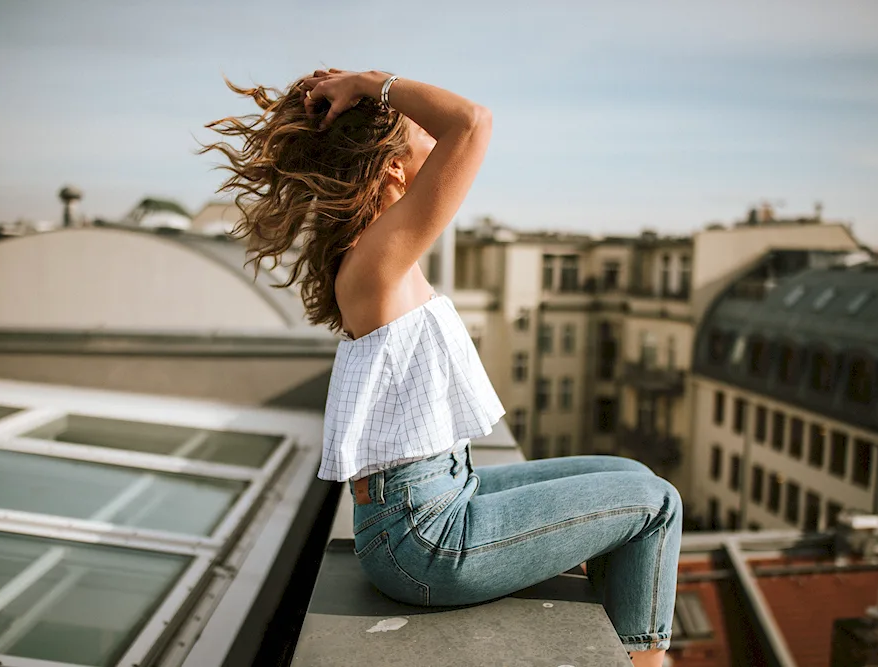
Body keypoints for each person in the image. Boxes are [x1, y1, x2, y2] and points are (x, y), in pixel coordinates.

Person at [201, 68, 682, 667]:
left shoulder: (381, 253)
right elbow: (471, 123)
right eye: (417, 130)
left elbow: (458, 128)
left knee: (625, 471)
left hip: (442, 496)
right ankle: (645, 661)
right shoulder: (376, 259)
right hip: (423, 539)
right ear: (394, 168)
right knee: (656, 502)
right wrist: (371, 82)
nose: (433, 135)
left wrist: (361, 95)